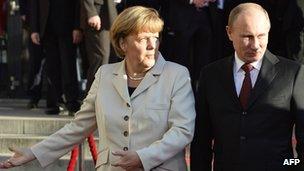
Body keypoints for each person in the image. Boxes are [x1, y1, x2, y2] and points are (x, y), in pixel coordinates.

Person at [0, 6, 196, 171]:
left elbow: (182, 130)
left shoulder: (177, 75)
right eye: (143, 38)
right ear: (122, 43)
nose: (153, 45)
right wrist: (33, 152)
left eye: (156, 37)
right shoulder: (104, 75)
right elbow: (78, 127)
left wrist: (144, 157)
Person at [191, 3, 304, 171]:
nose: (256, 44)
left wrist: (292, 166)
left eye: (261, 36)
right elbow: (201, 140)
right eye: (247, 36)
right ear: (229, 33)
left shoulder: (292, 73)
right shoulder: (211, 75)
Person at [30, 0, 82, 114]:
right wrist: (34, 29)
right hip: (47, 27)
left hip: (67, 26)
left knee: (68, 66)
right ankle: (56, 103)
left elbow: (78, 4)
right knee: (52, 68)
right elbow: (35, 5)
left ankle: (72, 103)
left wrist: (77, 27)